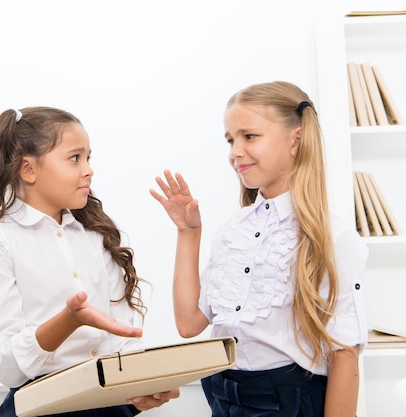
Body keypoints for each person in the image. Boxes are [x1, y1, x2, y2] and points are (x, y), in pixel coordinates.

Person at [0, 106, 179, 417]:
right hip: (42, 408)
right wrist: (69, 320)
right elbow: (5, 366)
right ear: (28, 170)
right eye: (74, 158)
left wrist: (145, 382)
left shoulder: (94, 235)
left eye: (88, 158)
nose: (88, 169)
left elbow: (122, 338)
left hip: (107, 406)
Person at [150, 81, 368, 417]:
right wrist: (187, 233)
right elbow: (190, 324)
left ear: (295, 139)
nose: (235, 151)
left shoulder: (332, 237)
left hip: (289, 402)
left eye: (249, 136)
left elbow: (345, 353)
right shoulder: (232, 232)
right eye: (230, 140)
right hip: (223, 396)